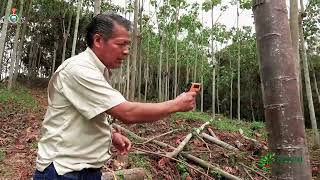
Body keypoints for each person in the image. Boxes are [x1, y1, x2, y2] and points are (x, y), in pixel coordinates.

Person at [33, 13, 196, 180]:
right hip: (62, 172)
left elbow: (84, 114)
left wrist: (110, 135)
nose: (126, 52)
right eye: (120, 44)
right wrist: (176, 104)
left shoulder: (97, 71)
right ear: (98, 41)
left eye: (128, 45)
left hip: (83, 170)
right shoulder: (79, 69)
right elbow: (128, 113)